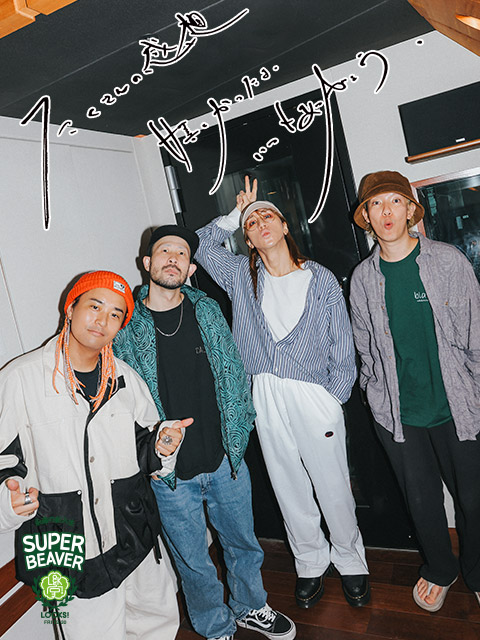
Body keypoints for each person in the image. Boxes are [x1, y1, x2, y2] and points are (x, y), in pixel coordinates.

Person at [195, 177, 370, 609]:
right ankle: (310, 561)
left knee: (333, 484)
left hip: (315, 395)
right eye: (252, 223)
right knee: (287, 484)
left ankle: (350, 560)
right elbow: (201, 247)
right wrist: (234, 214)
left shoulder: (320, 278)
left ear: (285, 226)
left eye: (267, 216)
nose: (260, 223)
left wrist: (333, 398)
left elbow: (342, 344)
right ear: (248, 238)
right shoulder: (241, 275)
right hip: (265, 393)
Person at [113, 226, 295, 640]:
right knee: (193, 560)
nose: (173, 258)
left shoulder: (207, 310)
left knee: (243, 544)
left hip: (225, 458)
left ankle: (250, 606)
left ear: (191, 268)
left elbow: (232, 369)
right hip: (169, 472)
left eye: (182, 253)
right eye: (165, 251)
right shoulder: (126, 324)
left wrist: (240, 430)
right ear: (147, 263)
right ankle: (215, 626)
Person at [0, 270, 189, 640]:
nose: (103, 320)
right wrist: (9, 503)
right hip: (65, 544)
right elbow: (4, 462)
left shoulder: (126, 379)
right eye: (95, 306)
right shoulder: (20, 379)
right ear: (71, 308)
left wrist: (162, 447)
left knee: (158, 624)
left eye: (115, 313)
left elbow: (144, 447)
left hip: (134, 536)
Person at [349, 170, 480, 612]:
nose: (386, 211)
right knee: (422, 503)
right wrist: (375, 396)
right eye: (376, 204)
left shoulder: (448, 261)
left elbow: (476, 334)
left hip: (458, 406)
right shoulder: (362, 279)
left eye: (394, 201)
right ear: (367, 216)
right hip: (399, 415)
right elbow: (366, 348)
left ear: (410, 210)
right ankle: (440, 569)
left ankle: (478, 570)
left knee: (474, 500)